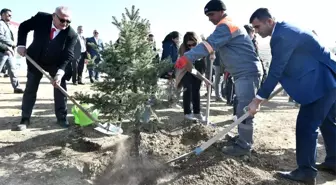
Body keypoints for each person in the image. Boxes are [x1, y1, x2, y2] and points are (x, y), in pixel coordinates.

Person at [248, 8, 336, 185]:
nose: (256, 31)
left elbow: (276, 70)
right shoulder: (287, 29)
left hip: (321, 82)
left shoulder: (282, 35)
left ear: (269, 22)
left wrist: (257, 99)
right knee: (326, 121)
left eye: (257, 27)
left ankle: (306, 171)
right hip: (329, 79)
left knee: (306, 125)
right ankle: (334, 161)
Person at [175, 0, 263, 156]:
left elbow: (208, 45)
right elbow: (212, 44)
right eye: (207, 15)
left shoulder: (226, 26)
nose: (209, 18)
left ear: (221, 11)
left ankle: (244, 146)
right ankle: (243, 138)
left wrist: (186, 57)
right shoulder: (226, 26)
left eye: (211, 14)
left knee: (244, 110)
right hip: (242, 73)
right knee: (241, 108)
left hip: (247, 73)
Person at [16, 6, 77, 130]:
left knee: (60, 88)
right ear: (54, 16)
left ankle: (61, 117)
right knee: (31, 88)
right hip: (35, 58)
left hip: (55, 63)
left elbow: (68, 55)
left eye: (68, 21)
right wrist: (21, 45)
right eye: (62, 20)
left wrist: (60, 73)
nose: (65, 24)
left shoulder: (71, 34)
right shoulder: (41, 18)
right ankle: (25, 118)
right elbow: (23, 27)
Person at [178, 32, 206, 121]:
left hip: (199, 66)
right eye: (188, 45)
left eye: (193, 44)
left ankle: (197, 112)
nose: (191, 47)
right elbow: (189, 67)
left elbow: (211, 49)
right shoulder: (182, 48)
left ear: (196, 41)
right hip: (187, 70)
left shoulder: (202, 46)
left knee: (196, 90)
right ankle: (187, 112)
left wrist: (213, 54)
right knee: (188, 89)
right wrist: (203, 78)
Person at [0, 8, 24, 93]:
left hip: (9, 51)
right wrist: (11, 43)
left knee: (12, 69)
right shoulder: (1, 24)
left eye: (10, 15)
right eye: (8, 14)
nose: (10, 16)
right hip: (2, 51)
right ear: (2, 14)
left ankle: (17, 87)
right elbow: (0, 37)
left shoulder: (7, 25)